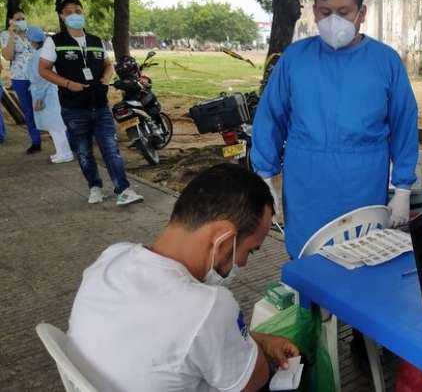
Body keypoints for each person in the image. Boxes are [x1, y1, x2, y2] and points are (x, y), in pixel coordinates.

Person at [67, 163, 300, 392]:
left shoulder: (112, 257)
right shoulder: (208, 306)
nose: (243, 263)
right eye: (250, 250)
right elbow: (253, 381)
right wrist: (257, 349)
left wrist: (257, 340)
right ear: (224, 240)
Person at [250, 0, 419, 258]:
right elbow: (270, 117)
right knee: (306, 261)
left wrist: (403, 187)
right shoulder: (295, 58)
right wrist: (265, 176)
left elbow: (404, 123)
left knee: (361, 260)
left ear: (361, 12)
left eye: (343, 12)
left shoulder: (385, 61)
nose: (333, 21)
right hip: (306, 184)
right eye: (325, 12)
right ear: (314, 11)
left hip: (363, 182)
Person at [38, 0, 143, 206]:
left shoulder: (95, 41)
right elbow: (43, 70)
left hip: (100, 105)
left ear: (82, 12)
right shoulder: (55, 42)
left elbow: (108, 64)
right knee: (84, 153)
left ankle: (123, 189)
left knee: (111, 149)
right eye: (68, 12)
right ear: (61, 16)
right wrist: (68, 84)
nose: (74, 15)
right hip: (74, 108)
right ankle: (95, 187)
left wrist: (105, 77)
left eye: (77, 11)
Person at [25, 26, 73, 164]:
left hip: (46, 94)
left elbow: (40, 78)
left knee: (55, 126)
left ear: (33, 40)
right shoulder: (44, 53)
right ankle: (61, 152)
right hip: (50, 91)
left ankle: (65, 153)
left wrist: (39, 97)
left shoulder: (39, 55)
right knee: (55, 125)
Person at [1, 8, 42, 153]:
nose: (21, 21)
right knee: (29, 110)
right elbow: (8, 56)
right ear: (11, 21)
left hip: (39, 76)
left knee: (47, 106)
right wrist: (12, 34)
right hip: (20, 78)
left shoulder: (34, 33)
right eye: (18, 19)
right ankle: (36, 141)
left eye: (23, 18)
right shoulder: (5, 35)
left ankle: (62, 139)